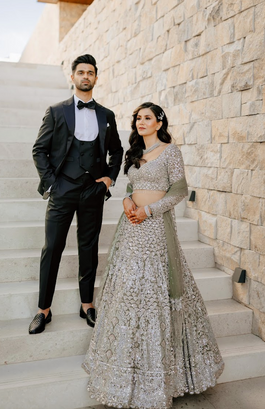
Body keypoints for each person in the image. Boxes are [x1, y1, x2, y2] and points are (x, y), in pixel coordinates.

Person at [82, 102, 224, 408]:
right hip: (131, 227)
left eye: (147, 118)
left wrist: (148, 210)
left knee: (155, 290)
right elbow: (133, 184)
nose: (141, 122)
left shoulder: (170, 152)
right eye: (137, 118)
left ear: (159, 123)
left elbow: (178, 192)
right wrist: (128, 200)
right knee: (128, 290)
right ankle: (124, 366)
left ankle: (159, 375)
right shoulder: (135, 153)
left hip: (156, 228)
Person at [28, 54, 123, 334]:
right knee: (52, 249)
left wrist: (109, 180)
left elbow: (116, 151)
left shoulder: (106, 115)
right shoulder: (57, 111)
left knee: (88, 249)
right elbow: (39, 150)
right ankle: (43, 310)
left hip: (93, 190)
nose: (85, 76)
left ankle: (87, 305)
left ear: (96, 77)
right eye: (80, 72)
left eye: (90, 72)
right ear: (72, 77)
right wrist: (51, 184)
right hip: (63, 189)